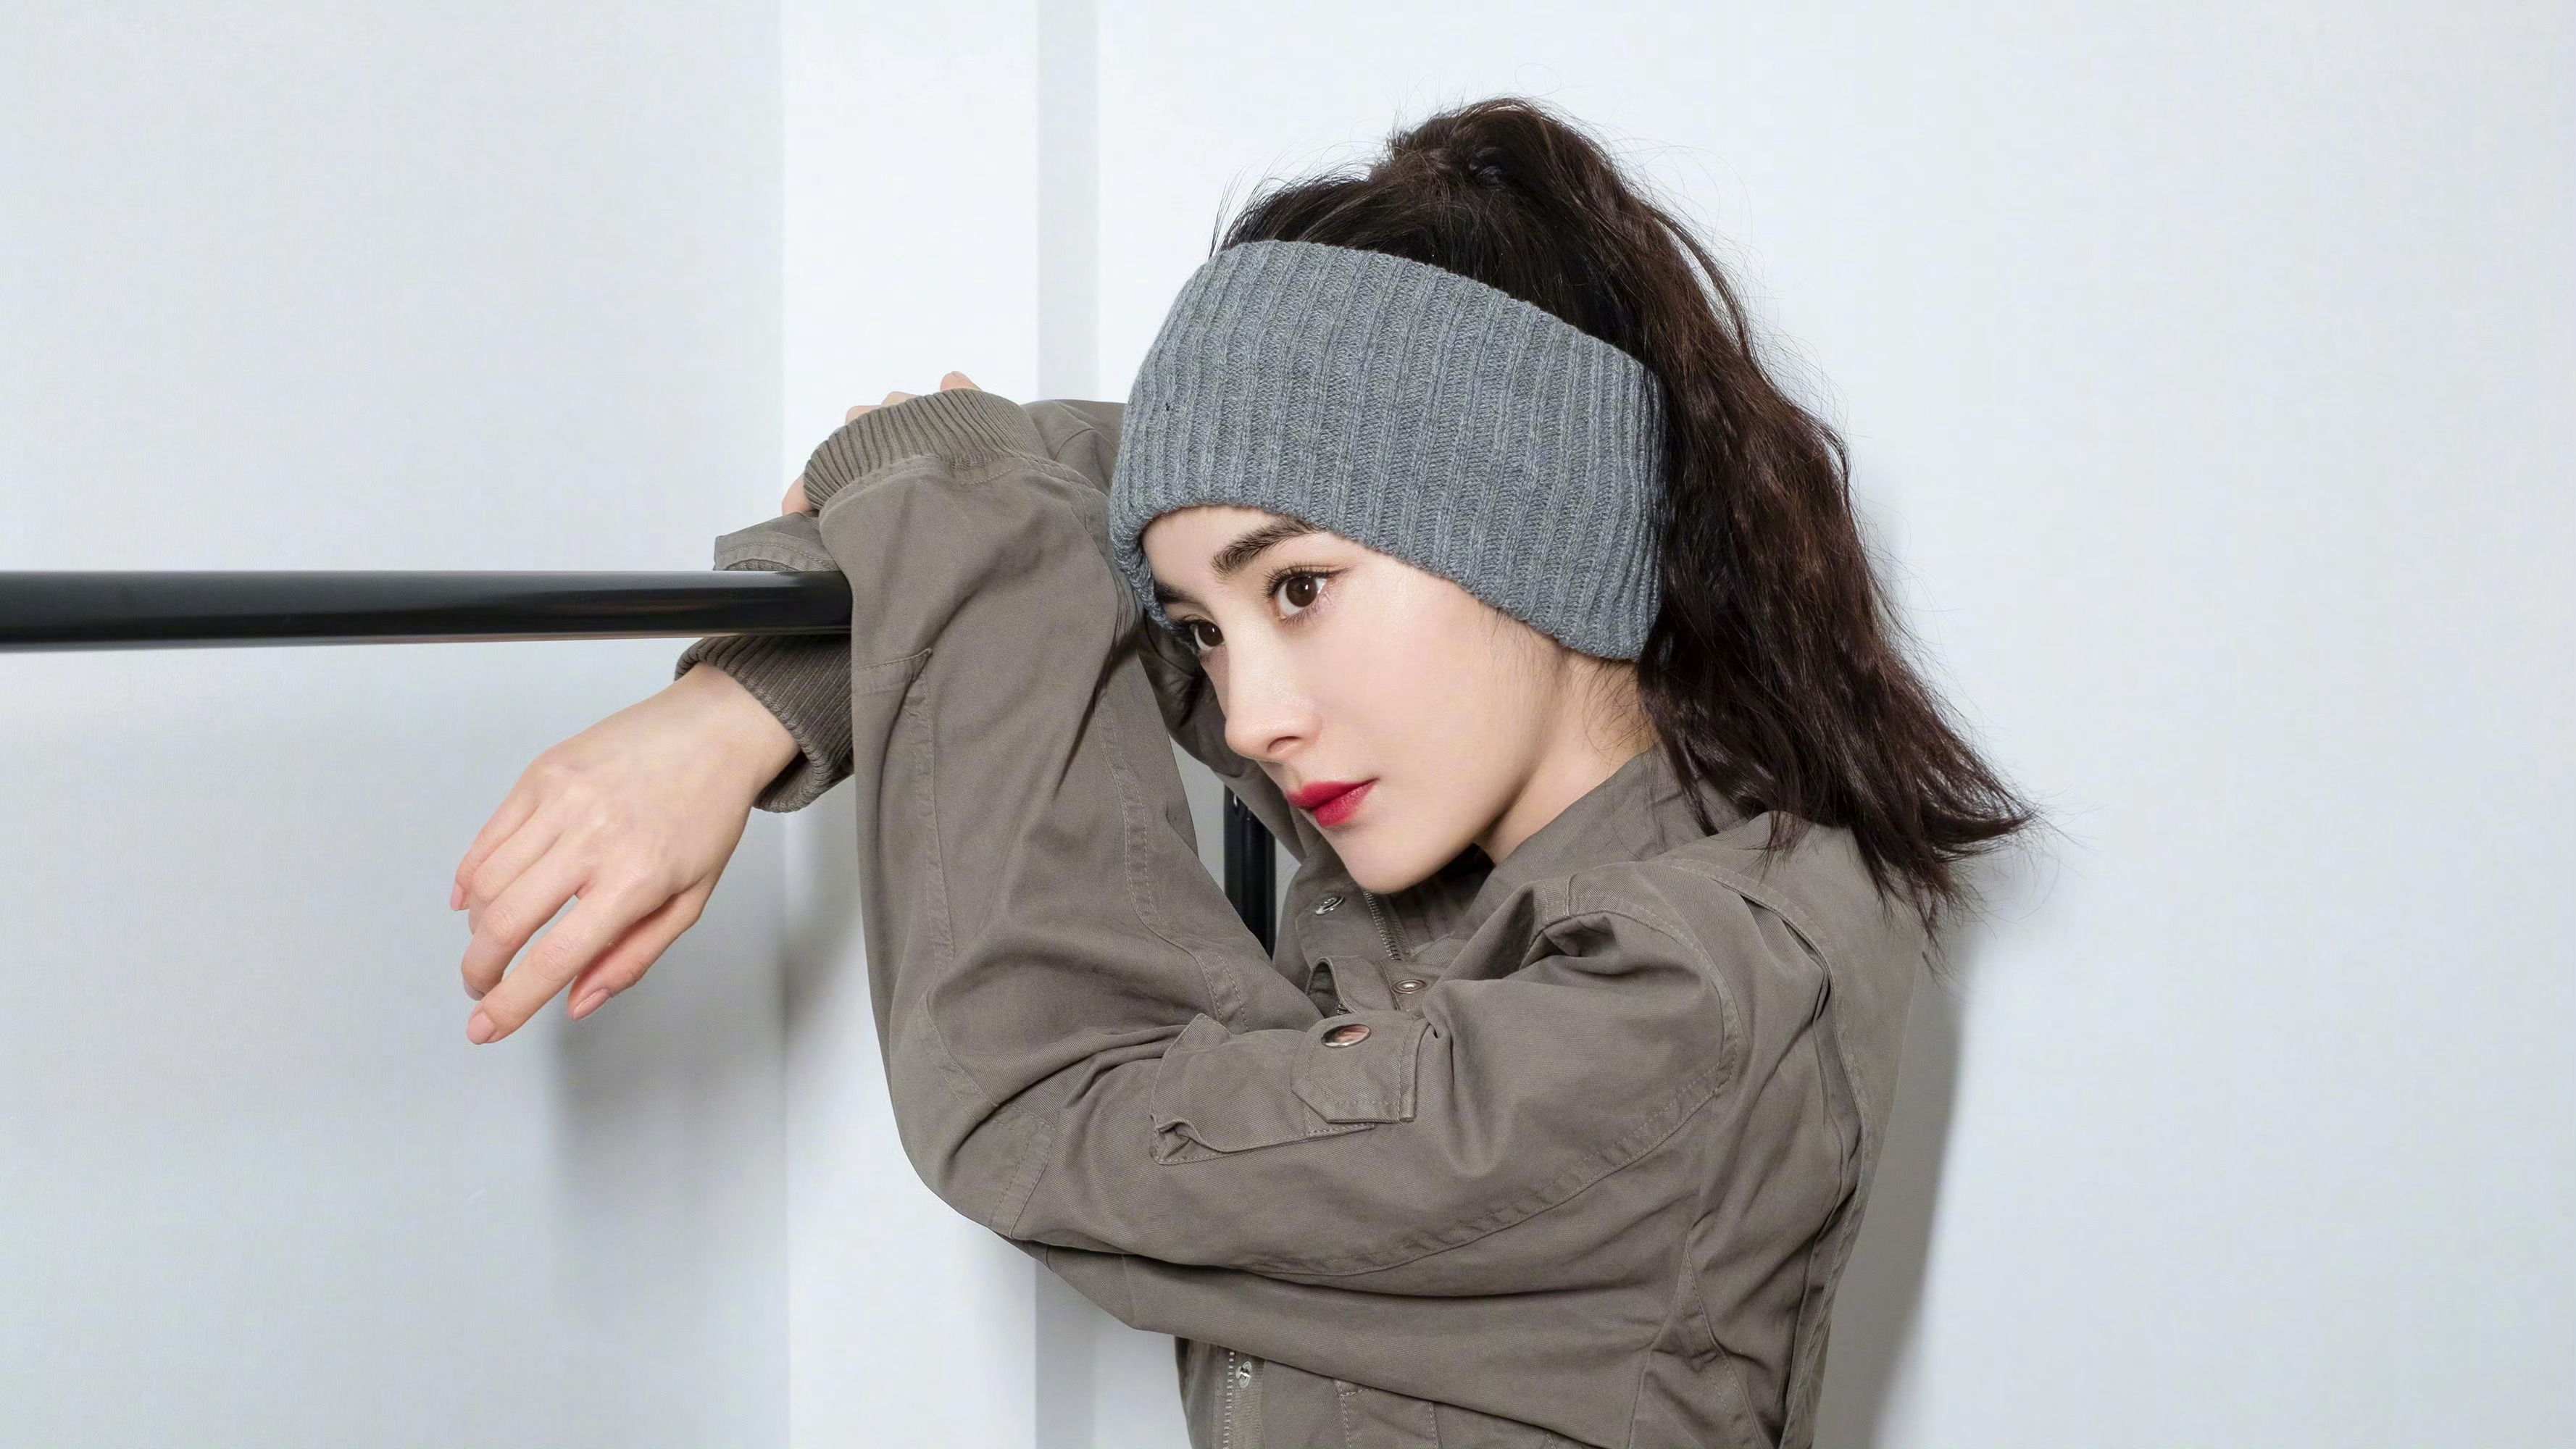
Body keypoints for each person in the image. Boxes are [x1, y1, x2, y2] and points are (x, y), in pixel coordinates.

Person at [448, 96, 2034, 1449]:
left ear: (1538, 533)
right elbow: (1070, 493)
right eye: (1203, 633)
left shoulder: (1683, 1007)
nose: (1252, 713)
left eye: (1301, 590)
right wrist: (750, 705)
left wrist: (926, 511)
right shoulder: (1533, 837)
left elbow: (1048, 1106)